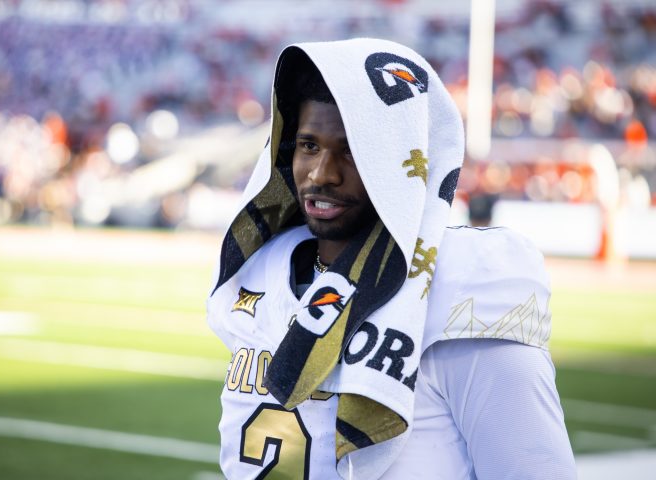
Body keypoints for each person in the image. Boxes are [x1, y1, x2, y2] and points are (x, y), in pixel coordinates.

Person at [207, 38, 576, 480]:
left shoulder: (461, 290)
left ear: (405, 161)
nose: (322, 173)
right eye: (308, 146)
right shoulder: (263, 269)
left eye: (352, 151)